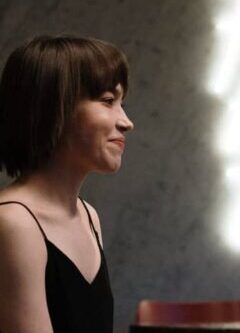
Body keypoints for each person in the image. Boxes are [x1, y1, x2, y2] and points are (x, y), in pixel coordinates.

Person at [0, 36, 133, 332]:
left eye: (122, 103)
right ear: (54, 108)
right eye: (108, 101)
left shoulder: (89, 216)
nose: (126, 122)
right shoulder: (13, 223)